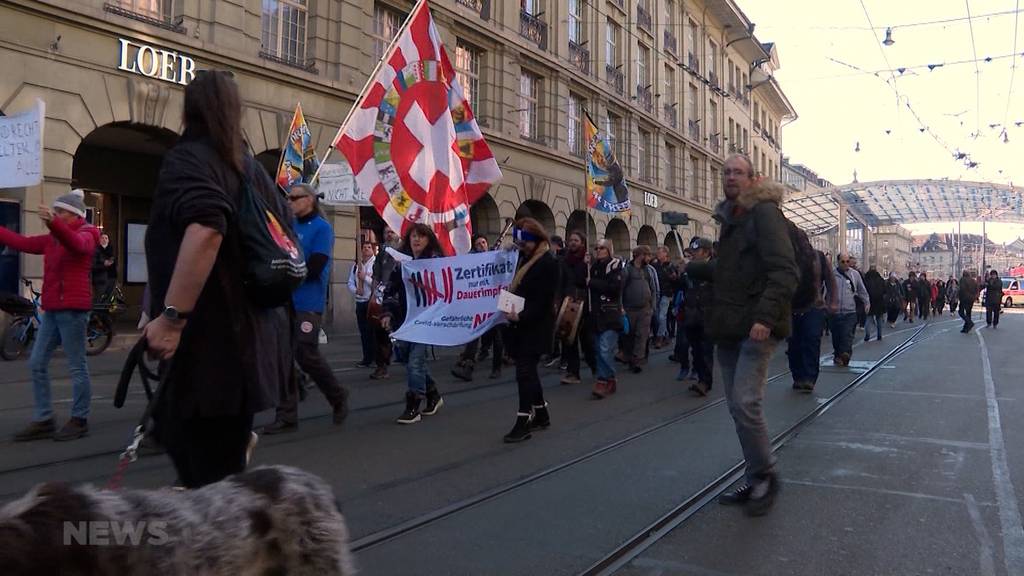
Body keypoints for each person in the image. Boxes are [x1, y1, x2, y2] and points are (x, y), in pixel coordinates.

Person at [143, 70, 292, 487]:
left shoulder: (192, 158)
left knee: (210, 485)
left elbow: (206, 229)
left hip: (211, 351)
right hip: (246, 348)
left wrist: (171, 318)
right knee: (183, 441)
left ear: (189, 110)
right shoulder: (248, 168)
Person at [687, 154, 798, 516]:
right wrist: (696, 269)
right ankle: (756, 477)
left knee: (746, 402)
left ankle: (766, 475)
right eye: (727, 172)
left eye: (738, 172)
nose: (731, 177)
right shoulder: (733, 218)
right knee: (737, 406)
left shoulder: (764, 213)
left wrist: (765, 317)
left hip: (755, 327)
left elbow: (784, 270)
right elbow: (732, 269)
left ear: (753, 179)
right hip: (730, 327)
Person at [1, 189, 99, 442]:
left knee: (77, 365)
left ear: (74, 214)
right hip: (54, 308)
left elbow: (76, 245)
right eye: (55, 212)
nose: (55, 215)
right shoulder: (53, 238)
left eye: (60, 212)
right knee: (36, 362)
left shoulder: (88, 233)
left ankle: (80, 419)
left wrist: (53, 223)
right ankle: (44, 418)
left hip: (74, 309)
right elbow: (23, 243)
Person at [262, 184, 350, 435]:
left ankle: (337, 394)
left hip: (308, 303)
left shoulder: (322, 228)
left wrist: (287, 271)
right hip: (285, 301)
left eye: (294, 198)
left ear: (309, 200)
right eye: (287, 198)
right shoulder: (287, 228)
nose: (289, 202)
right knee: (282, 357)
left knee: (305, 352)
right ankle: (286, 415)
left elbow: (316, 265)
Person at [502, 218, 559, 442]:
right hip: (520, 325)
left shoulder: (547, 263)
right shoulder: (523, 259)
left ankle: (523, 420)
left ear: (537, 240)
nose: (521, 245)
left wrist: (522, 315)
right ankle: (542, 414)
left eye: (524, 242)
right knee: (528, 371)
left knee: (524, 372)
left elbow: (544, 301)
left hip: (535, 326)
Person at [382, 224, 445, 424]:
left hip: (427, 319)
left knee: (416, 362)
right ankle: (433, 394)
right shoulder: (402, 264)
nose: (416, 240)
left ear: (429, 240)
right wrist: (387, 313)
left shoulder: (436, 263)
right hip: (405, 320)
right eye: (414, 236)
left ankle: (413, 406)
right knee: (408, 359)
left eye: (422, 236)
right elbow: (390, 290)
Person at [786, 224, 836, 393]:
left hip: (814, 306)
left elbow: (830, 280)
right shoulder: (787, 258)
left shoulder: (819, 257)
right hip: (792, 308)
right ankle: (798, 375)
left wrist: (832, 302)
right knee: (794, 344)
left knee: (811, 340)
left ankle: (809, 377)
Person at [588, 238, 625, 399]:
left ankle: (602, 381)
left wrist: (592, 282)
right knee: (598, 350)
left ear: (609, 249)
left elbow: (614, 289)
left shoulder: (616, 266)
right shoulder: (593, 267)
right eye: (596, 248)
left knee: (604, 348)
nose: (598, 251)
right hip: (596, 314)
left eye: (602, 248)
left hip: (610, 313)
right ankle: (610, 378)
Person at [558, 230, 594, 386]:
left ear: (582, 243)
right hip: (568, 303)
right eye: (571, 240)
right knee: (568, 340)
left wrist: (588, 266)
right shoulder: (564, 260)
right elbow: (561, 281)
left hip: (584, 304)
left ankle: (598, 370)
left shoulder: (588, 260)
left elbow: (587, 281)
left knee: (587, 341)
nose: (572, 242)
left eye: (576, 240)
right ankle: (573, 372)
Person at [680, 237, 715, 396]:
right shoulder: (690, 268)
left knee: (705, 350)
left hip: (708, 315)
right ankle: (700, 376)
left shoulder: (714, 267)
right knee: (695, 350)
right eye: (693, 251)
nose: (693, 254)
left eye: (697, 251)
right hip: (691, 314)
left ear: (706, 252)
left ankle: (705, 382)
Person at [369, 227, 401, 380]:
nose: (389, 234)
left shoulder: (404, 252)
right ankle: (382, 365)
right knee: (380, 330)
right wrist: (374, 295)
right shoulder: (382, 252)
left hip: (400, 297)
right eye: (386, 232)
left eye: (392, 232)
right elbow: (376, 275)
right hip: (384, 297)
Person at [621, 245, 658, 373]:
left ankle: (637, 360)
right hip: (630, 309)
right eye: (647, 255)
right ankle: (629, 356)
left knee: (642, 335)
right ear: (640, 255)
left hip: (645, 309)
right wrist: (621, 307)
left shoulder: (649, 270)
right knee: (629, 335)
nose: (649, 258)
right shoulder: (627, 270)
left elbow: (653, 288)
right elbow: (621, 290)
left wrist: (653, 306)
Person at [830, 253, 870, 366]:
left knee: (847, 334)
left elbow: (862, 290)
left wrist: (867, 302)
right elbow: (825, 290)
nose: (846, 264)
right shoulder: (832, 275)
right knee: (837, 336)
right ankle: (838, 355)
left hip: (850, 311)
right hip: (835, 311)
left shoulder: (855, 275)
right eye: (843, 262)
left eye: (848, 261)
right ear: (838, 262)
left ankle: (846, 353)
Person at [349, 234, 377, 368]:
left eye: (368, 247)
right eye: (364, 247)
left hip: (371, 302)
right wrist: (355, 290)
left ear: (373, 250)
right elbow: (349, 282)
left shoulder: (375, 264)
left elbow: (378, 284)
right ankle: (367, 357)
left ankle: (377, 358)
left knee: (372, 331)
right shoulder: (356, 266)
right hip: (359, 302)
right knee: (364, 332)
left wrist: (365, 277)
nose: (366, 249)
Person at [651, 246, 678, 349]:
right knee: (657, 317)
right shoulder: (655, 265)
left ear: (665, 254)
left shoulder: (670, 266)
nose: (658, 254)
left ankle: (660, 338)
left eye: (660, 252)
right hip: (657, 293)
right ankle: (665, 335)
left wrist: (673, 294)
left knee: (662, 317)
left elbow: (675, 282)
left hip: (666, 294)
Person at [862, 266, 886, 342]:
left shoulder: (866, 279)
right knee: (879, 319)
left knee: (868, 318)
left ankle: (867, 335)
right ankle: (879, 335)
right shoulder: (880, 279)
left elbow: (863, 290)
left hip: (869, 301)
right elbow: (884, 290)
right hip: (879, 301)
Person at [91, 232, 116, 301]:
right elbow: (93, 266)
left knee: (108, 300)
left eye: (106, 238)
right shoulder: (96, 251)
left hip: (111, 278)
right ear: (99, 240)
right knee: (99, 300)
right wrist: (104, 265)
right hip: (100, 280)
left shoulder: (111, 250)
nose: (104, 240)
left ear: (108, 240)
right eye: (102, 238)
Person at [958, 269, 979, 333]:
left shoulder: (962, 280)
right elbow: (977, 289)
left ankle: (969, 323)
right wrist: (975, 297)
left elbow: (962, 289)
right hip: (971, 299)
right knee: (968, 313)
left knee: (961, 312)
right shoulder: (973, 281)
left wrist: (959, 296)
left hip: (964, 298)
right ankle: (966, 328)